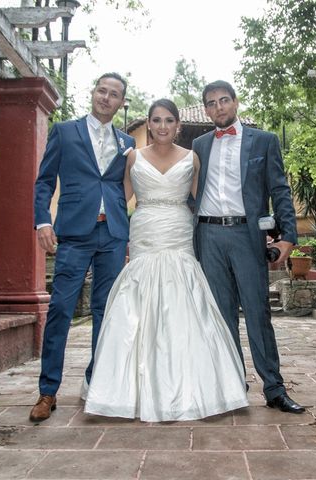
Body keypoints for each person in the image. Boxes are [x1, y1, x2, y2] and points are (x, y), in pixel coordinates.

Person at [84, 99, 249, 422]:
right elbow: (120, 200)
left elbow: (205, 200)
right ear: (148, 123)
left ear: (178, 126)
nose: (162, 126)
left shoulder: (192, 159)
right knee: (136, 303)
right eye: (156, 120)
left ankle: (196, 388)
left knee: (184, 302)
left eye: (169, 120)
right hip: (145, 232)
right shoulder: (132, 157)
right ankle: (123, 391)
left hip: (178, 232)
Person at [192, 80, 305, 414]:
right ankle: (231, 385)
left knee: (258, 312)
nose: (218, 108)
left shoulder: (265, 141)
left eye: (223, 100)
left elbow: (280, 189)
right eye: (211, 103)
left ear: (236, 102)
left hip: (246, 235)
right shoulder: (198, 145)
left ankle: (274, 389)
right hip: (208, 236)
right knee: (222, 316)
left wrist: (287, 236)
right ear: (206, 109)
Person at [29, 73, 136, 422]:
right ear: (93, 93)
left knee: (106, 312)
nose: (106, 97)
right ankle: (48, 391)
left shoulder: (126, 142)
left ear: (121, 103)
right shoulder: (65, 132)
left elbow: (125, 186)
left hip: (114, 234)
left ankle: (97, 384)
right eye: (102, 90)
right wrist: (42, 220)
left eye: (114, 94)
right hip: (74, 233)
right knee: (60, 308)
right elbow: (44, 180)